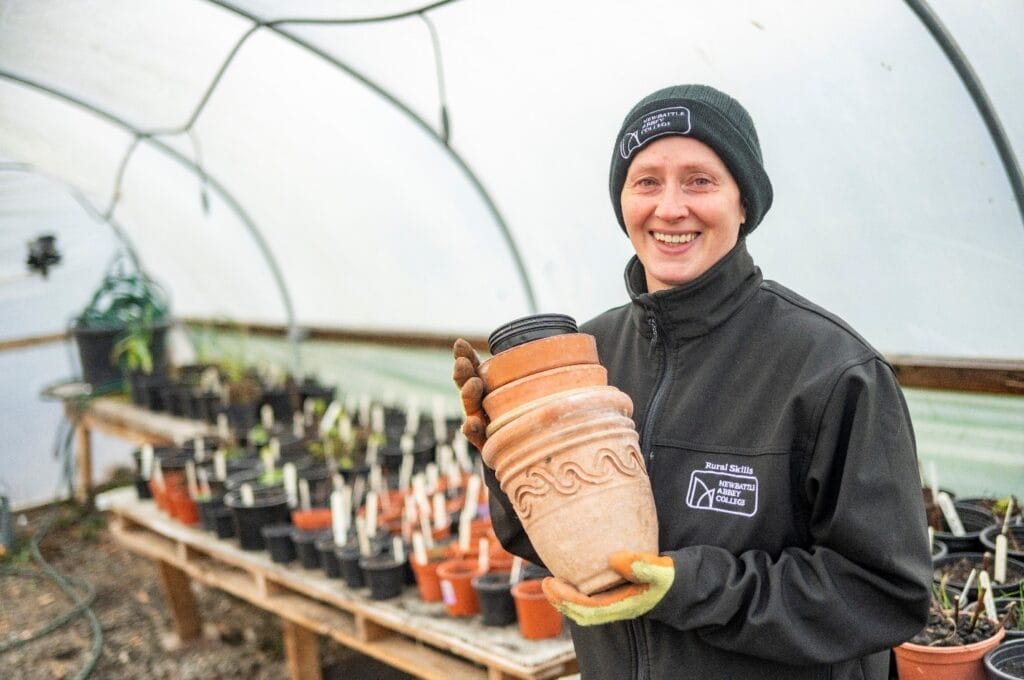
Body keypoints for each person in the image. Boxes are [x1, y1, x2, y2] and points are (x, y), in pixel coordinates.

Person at [453, 84, 932, 680]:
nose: (670, 207)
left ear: (743, 204)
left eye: (699, 181)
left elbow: (885, 592)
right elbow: (540, 545)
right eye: (646, 181)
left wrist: (694, 587)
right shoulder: (585, 357)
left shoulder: (832, 370)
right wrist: (512, 465)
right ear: (623, 202)